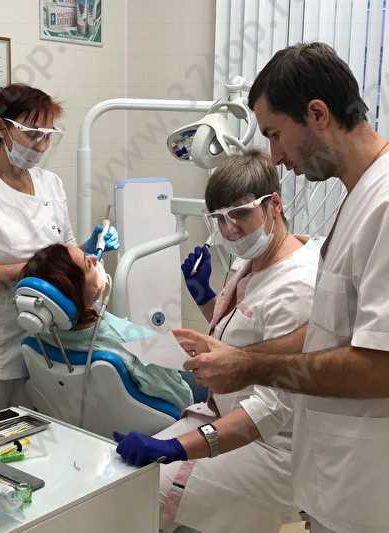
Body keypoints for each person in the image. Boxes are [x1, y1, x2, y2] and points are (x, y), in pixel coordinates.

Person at [113, 42, 389, 533]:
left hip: (362, 482)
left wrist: (249, 365)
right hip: (330, 471)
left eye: (276, 134)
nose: (276, 156)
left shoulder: (383, 204)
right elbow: (326, 334)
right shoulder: (358, 199)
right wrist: (234, 350)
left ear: (318, 114)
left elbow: (380, 365)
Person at [118, 150, 320, 533]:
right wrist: (207, 299)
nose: (229, 231)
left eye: (240, 214)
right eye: (219, 219)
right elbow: (250, 339)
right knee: (126, 478)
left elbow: (271, 409)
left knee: (140, 494)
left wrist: (178, 447)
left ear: (274, 205)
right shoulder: (258, 261)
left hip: (272, 447)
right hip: (227, 418)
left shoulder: (297, 286)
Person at [0, 83, 119, 410]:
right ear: (1, 127)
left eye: (47, 136)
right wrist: (32, 271)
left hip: (53, 342)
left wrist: (89, 249)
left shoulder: (50, 184)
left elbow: (67, 249)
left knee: (46, 429)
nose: (41, 145)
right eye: (33, 134)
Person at [19, 243, 193, 410]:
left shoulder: (40, 337)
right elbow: (182, 400)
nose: (95, 258)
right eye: (88, 264)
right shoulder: (133, 344)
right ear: (76, 290)